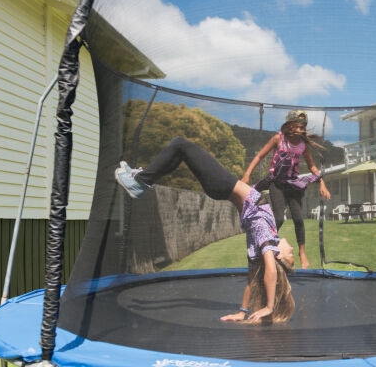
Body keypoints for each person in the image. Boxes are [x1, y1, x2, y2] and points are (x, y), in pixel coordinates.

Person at [114, 137, 295, 323]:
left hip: (224, 185)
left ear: (279, 256)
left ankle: (139, 182)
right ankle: (141, 179)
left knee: (180, 145)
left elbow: (270, 270)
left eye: (291, 256)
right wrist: (242, 312)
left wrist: (269, 307)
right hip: (222, 188)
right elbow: (252, 280)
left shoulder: (266, 237)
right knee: (179, 152)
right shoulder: (264, 241)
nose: (292, 250)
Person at [242, 110, 331, 270]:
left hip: (292, 184)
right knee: (279, 218)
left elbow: (311, 165)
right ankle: (266, 247)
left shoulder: (303, 145)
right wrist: (247, 174)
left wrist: (322, 182)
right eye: (298, 125)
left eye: (303, 126)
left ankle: (302, 252)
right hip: (277, 183)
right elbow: (259, 156)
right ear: (290, 125)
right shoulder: (279, 138)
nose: (301, 129)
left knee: (298, 218)